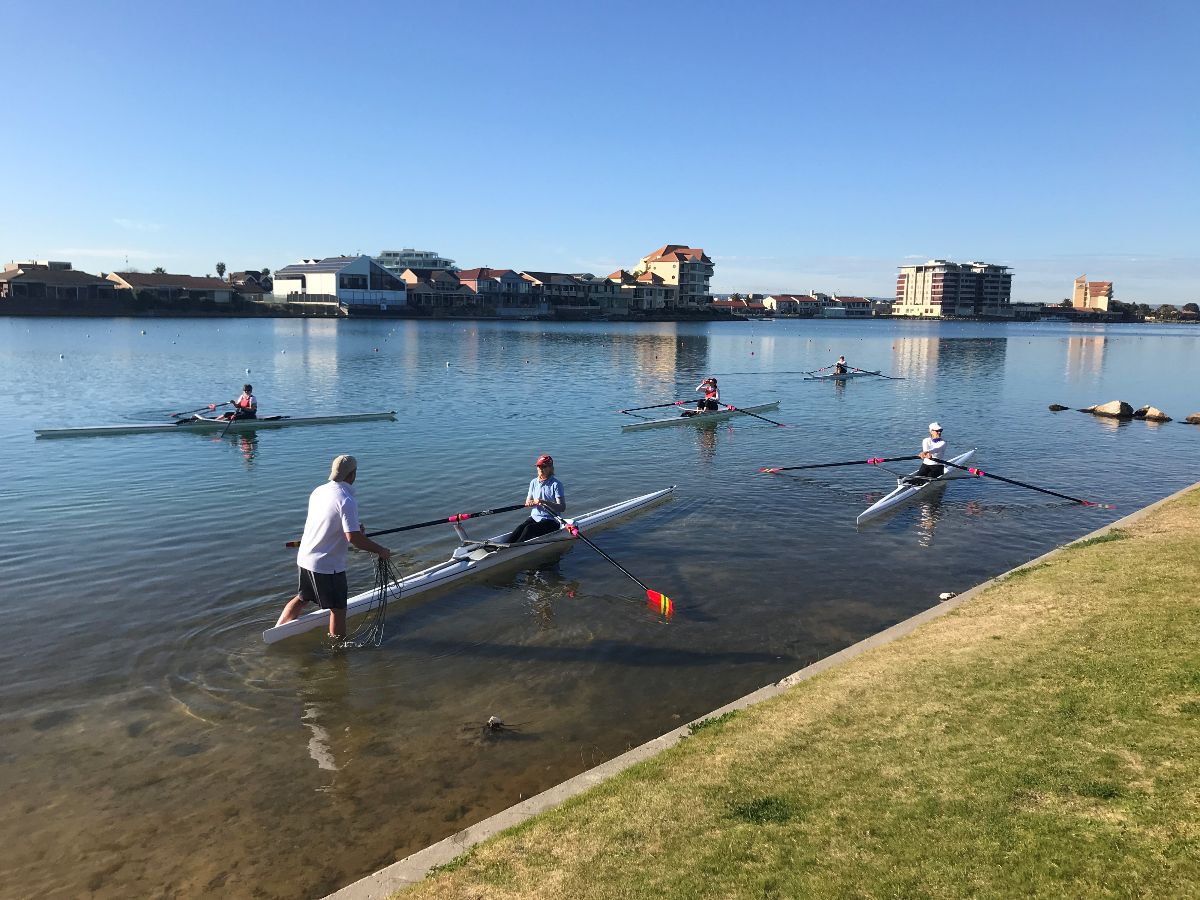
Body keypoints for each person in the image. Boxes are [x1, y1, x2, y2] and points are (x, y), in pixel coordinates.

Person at [275, 455, 391, 640]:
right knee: (338, 609)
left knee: (303, 599)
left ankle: (278, 631)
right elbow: (354, 539)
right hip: (327, 565)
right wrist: (381, 551)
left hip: (305, 557)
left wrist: (354, 529)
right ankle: (338, 653)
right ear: (352, 474)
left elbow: (328, 521)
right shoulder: (346, 499)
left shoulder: (319, 491)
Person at [507, 454, 566, 543]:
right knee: (520, 528)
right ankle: (503, 547)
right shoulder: (533, 482)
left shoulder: (556, 484)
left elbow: (562, 507)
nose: (540, 469)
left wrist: (544, 502)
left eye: (543, 466)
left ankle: (511, 550)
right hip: (535, 517)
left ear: (550, 467)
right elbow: (528, 501)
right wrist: (530, 503)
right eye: (538, 466)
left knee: (529, 529)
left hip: (552, 521)